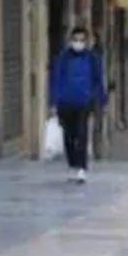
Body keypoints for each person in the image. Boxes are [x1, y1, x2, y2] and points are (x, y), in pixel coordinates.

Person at [50, 26, 107, 183]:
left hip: (84, 102)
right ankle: (72, 164)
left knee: (82, 134)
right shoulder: (62, 58)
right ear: (70, 41)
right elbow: (56, 80)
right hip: (65, 103)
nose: (78, 43)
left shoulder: (92, 58)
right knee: (69, 136)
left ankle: (81, 168)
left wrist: (100, 100)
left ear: (86, 41)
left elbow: (98, 80)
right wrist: (54, 102)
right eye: (76, 40)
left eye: (82, 40)